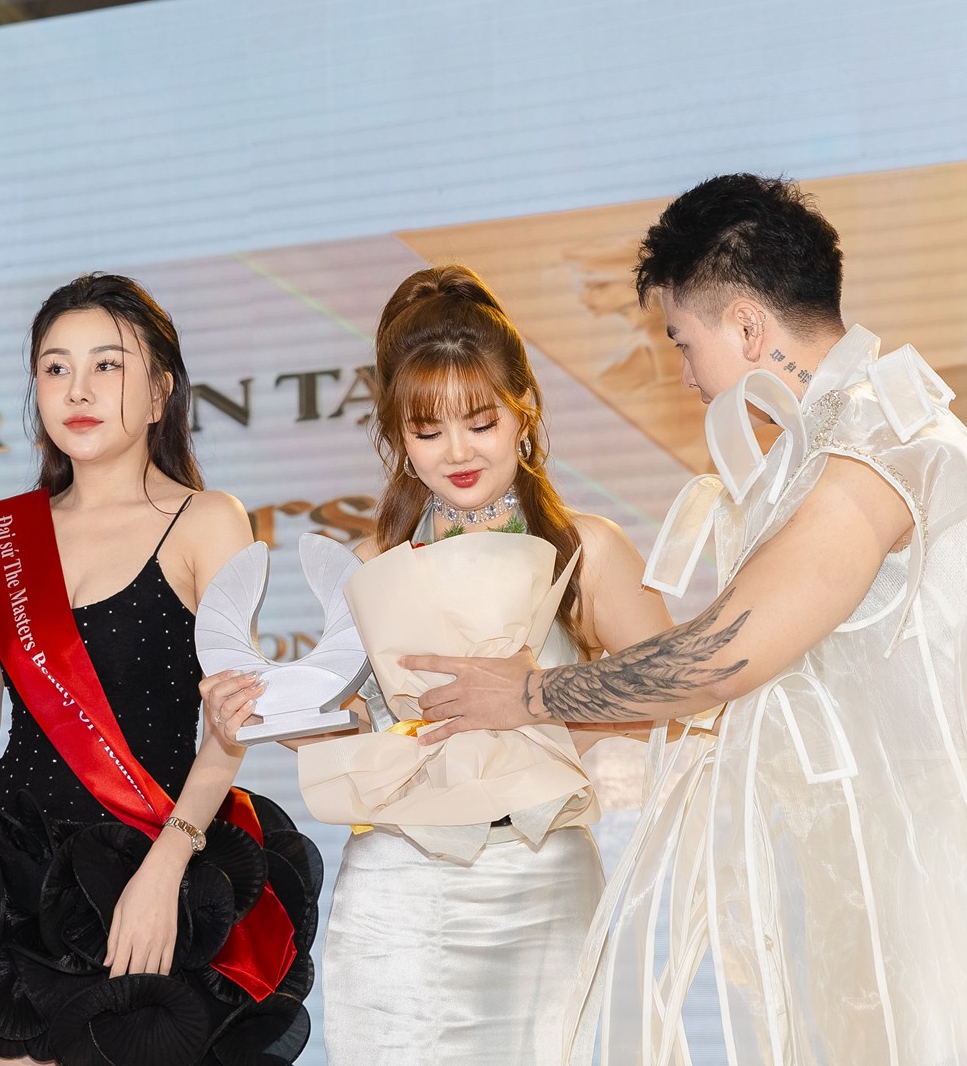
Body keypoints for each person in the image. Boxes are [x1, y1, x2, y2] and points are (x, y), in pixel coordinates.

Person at [404, 176, 967, 1064]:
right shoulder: (848, 435)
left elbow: (725, 655)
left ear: (746, 326)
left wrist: (533, 694)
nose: (686, 373)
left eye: (684, 341)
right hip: (917, 871)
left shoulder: (873, 447)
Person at [204, 265, 674, 1066]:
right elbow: (369, 736)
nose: (457, 451)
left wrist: (538, 704)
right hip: (398, 888)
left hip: (542, 880)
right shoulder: (373, 563)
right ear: (397, 436)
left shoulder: (585, 549)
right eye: (428, 432)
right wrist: (276, 715)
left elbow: (681, 695)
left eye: (480, 421)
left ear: (524, 411)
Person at [0, 274, 318, 1066]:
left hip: (153, 859)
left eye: (108, 365)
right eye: (55, 367)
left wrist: (168, 864)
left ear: (159, 392)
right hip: (11, 881)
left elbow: (232, 718)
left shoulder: (206, 520)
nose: (78, 389)